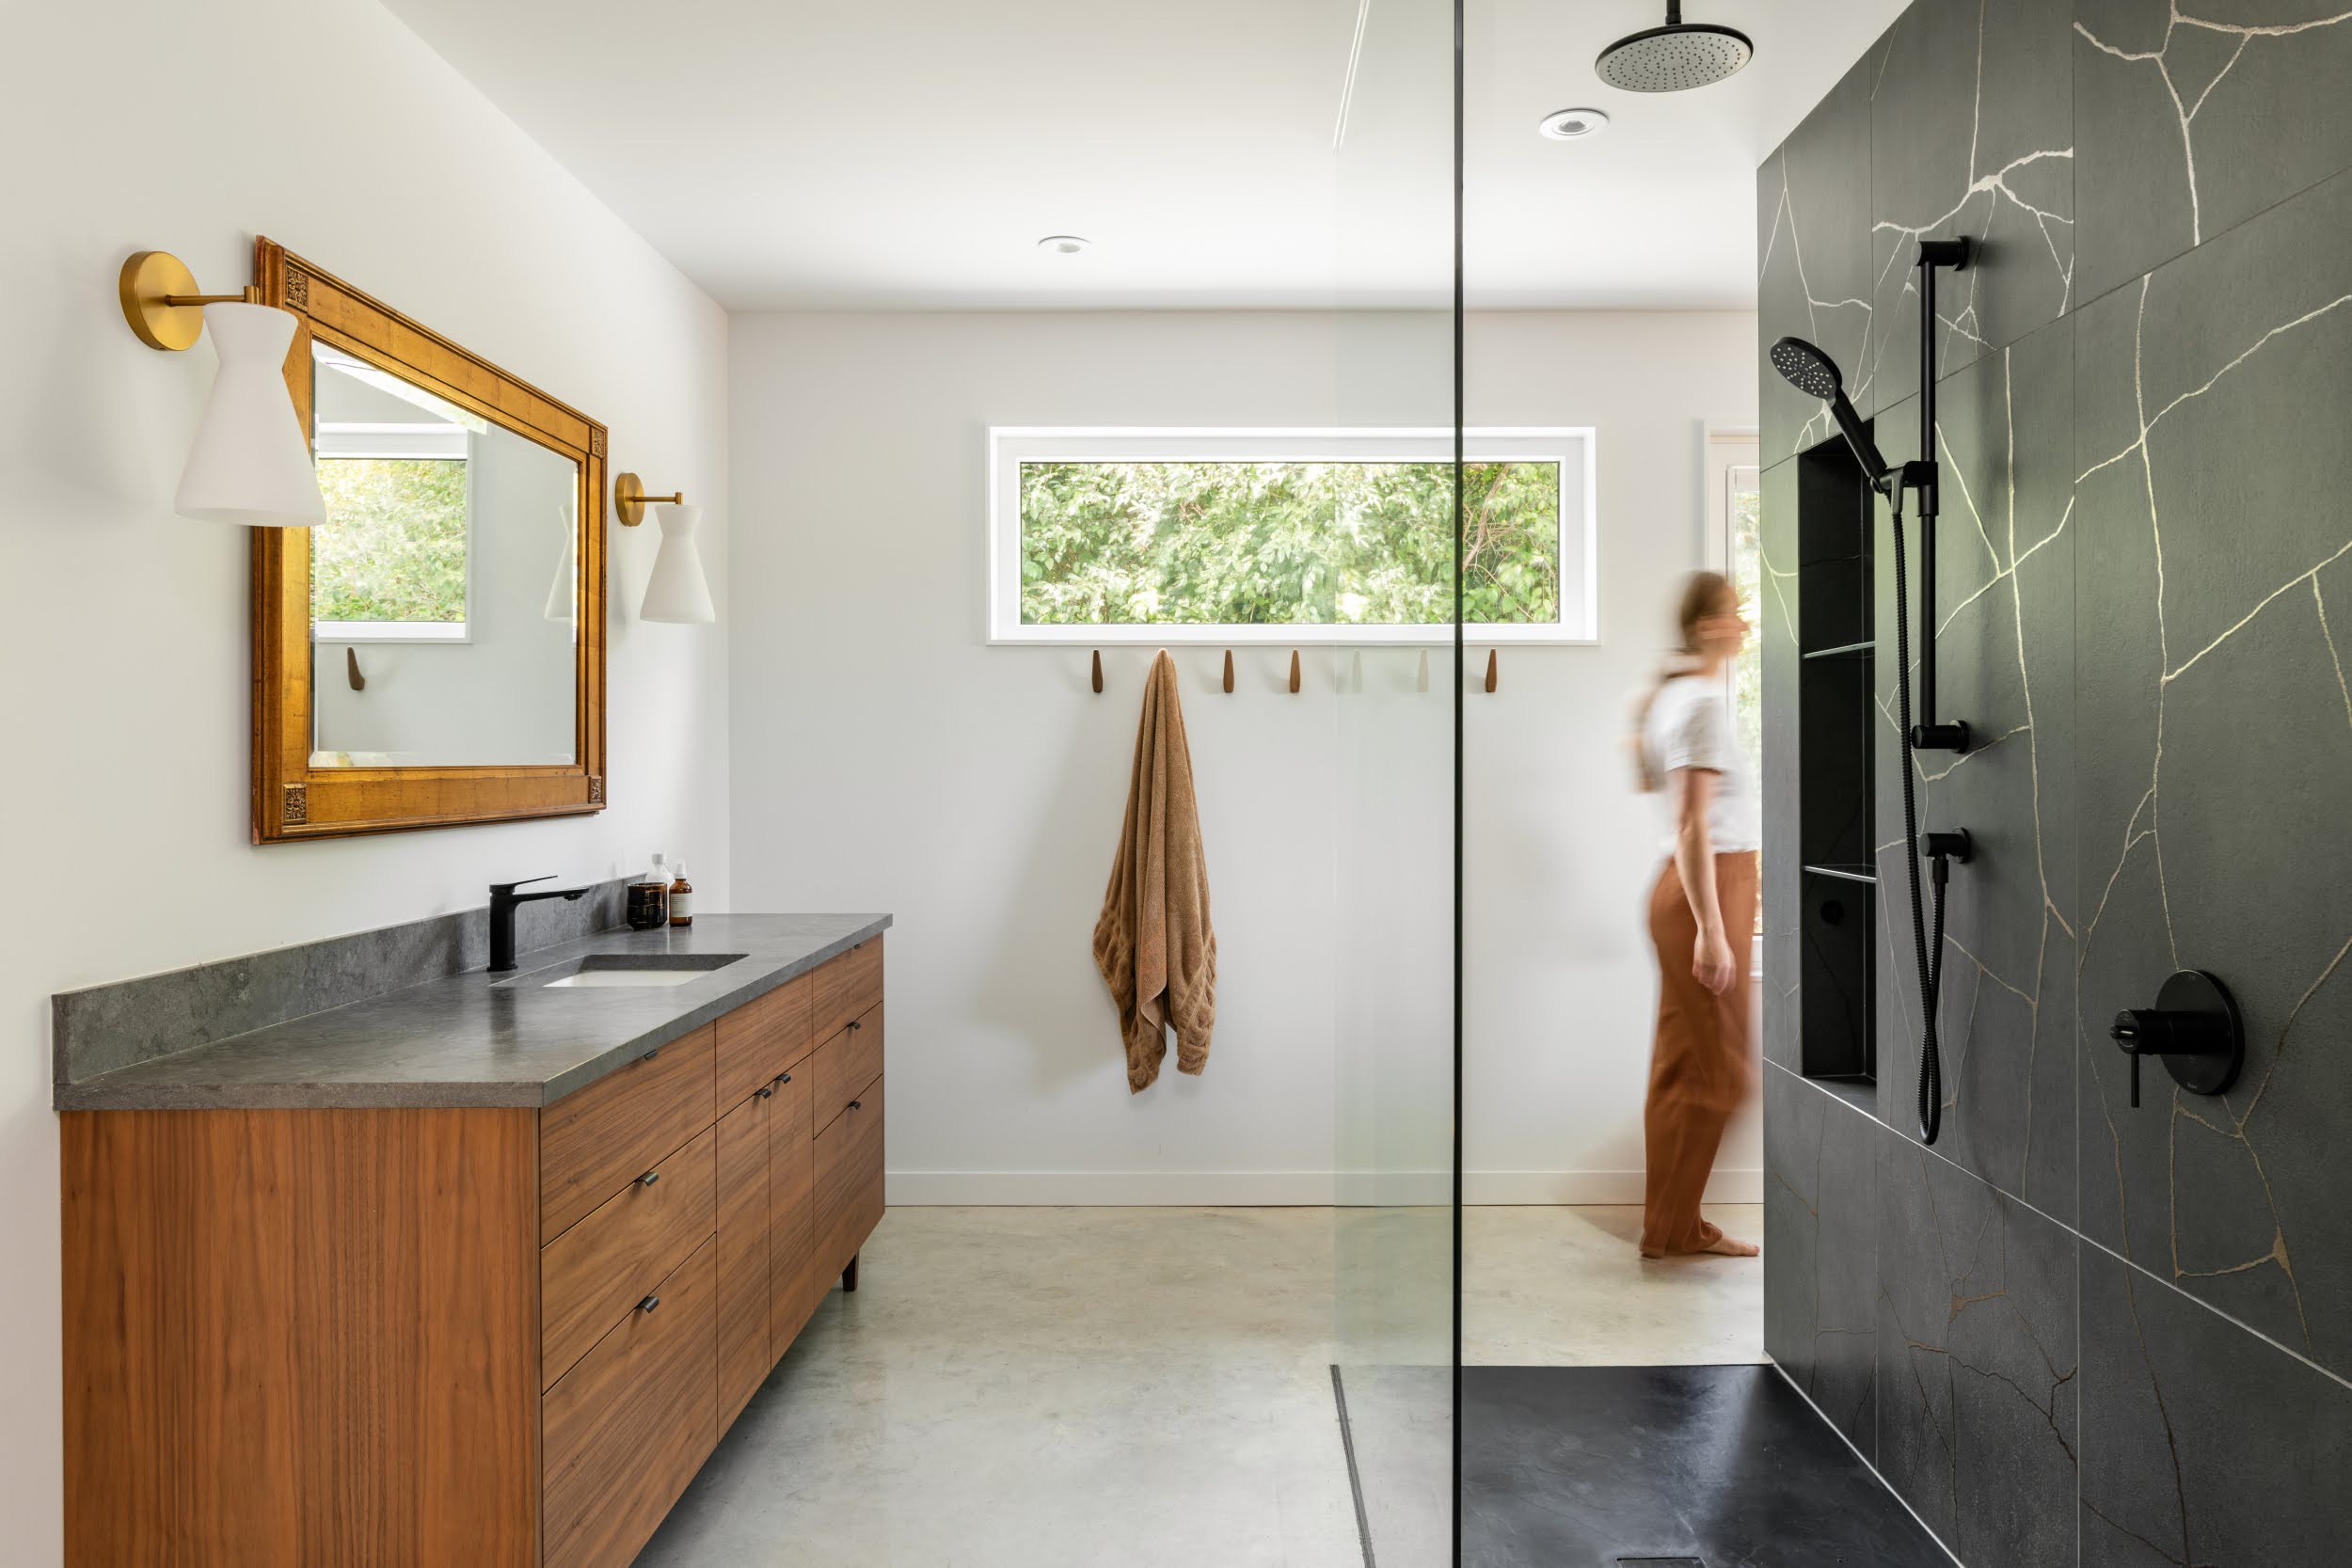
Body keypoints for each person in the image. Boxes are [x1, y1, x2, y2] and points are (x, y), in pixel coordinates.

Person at [1630, 570, 1760, 1259]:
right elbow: (1691, 825)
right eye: (1736, 612)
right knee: (1721, 1073)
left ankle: (1672, 1225)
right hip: (1705, 889)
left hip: (1690, 888)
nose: (1745, 623)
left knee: (1683, 1065)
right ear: (1708, 625)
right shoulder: (1701, 702)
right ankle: (1672, 1227)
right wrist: (1712, 928)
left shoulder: (1673, 695)